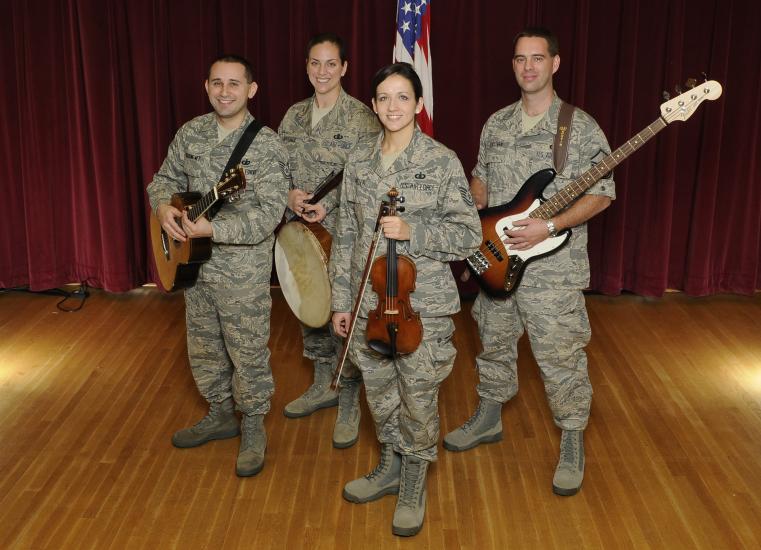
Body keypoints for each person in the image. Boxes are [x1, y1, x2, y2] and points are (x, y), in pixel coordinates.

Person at [443, 27, 615, 497]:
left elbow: (602, 193)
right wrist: (474, 226)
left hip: (552, 274)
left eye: (537, 58)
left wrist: (552, 226)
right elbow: (480, 181)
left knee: (560, 357)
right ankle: (489, 416)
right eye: (520, 59)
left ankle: (573, 436)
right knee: (493, 342)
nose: (528, 67)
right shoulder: (496, 123)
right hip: (496, 261)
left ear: (555, 63)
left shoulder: (578, 127)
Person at [330, 63, 481, 537]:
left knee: (417, 395)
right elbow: (346, 236)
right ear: (372, 105)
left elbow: (469, 235)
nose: (392, 106)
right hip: (367, 306)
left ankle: (414, 475)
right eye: (383, 98)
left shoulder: (440, 161)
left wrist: (416, 231)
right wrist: (341, 302)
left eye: (402, 97)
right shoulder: (358, 161)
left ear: (419, 104)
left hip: (423, 308)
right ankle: (392, 462)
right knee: (380, 393)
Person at [146, 54, 290, 477]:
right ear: (206, 87)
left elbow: (268, 217)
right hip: (194, 268)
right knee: (205, 346)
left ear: (252, 90)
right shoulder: (190, 132)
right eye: (217, 83)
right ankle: (220, 412)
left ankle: (253, 424)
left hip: (241, 272)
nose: (224, 91)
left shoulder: (267, 146)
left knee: (246, 352)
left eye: (234, 84)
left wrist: (214, 229)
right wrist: (162, 208)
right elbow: (164, 179)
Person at [278, 33, 380, 448]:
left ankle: (350, 397)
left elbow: (371, 176)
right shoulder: (293, 116)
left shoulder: (361, 118)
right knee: (310, 305)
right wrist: (288, 194)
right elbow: (276, 167)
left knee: (345, 314)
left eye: (331, 64)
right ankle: (323, 385)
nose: (323, 72)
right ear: (306, 67)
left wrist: (330, 204)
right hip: (300, 233)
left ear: (344, 68)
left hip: (343, 234)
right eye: (315, 64)